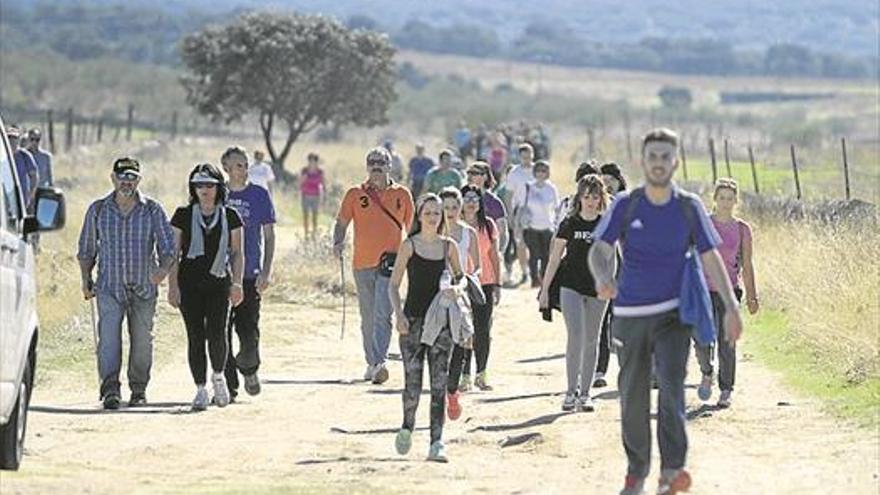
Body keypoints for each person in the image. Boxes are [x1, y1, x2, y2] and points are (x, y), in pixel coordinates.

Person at [589, 128, 744, 495]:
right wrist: (601, 276)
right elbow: (600, 247)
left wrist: (731, 307)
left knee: (672, 389)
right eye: (652, 156)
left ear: (675, 161)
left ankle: (671, 470)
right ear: (643, 162)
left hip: (675, 314)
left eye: (665, 156)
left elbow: (711, 256)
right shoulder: (626, 204)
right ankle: (637, 469)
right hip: (630, 314)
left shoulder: (688, 206)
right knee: (633, 394)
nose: (659, 163)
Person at [77, 157, 175, 409]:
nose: (127, 182)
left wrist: (163, 271)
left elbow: (168, 247)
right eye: (122, 177)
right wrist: (86, 278)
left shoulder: (152, 209)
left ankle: (138, 389)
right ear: (113, 178)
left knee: (142, 341)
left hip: (143, 287)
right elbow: (87, 249)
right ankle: (110, 389)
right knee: (108, 340)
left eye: (132, 177)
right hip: (109, 287)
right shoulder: (98, 210)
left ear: (139, 180)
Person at [388, 193, 465, 463]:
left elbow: (462, 278)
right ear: (419, 215)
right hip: (412, 323)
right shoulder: (409, 245)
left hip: (441, 324)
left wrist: (457, 289)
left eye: (437, 212)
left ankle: (436, 442)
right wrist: (398, 315)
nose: (433, 217)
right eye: (428, 212)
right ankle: (407, 427)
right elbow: (393, 285)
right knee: (412, 383)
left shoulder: (449, 247)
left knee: (439, 384)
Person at [333, 147, 414, 384]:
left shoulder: (402, 195)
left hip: (391, 264)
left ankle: (379, 362)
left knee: (383, 313)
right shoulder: (355, 194)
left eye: (381, 162)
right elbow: (341, 222)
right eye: (372, 163)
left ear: (390, 166)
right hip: (362, 263)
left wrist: (416, 256)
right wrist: (337, 241)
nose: (376, 166)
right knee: (367, 315)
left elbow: (412, 229)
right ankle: (371, 362)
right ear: (367, 166)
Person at [168, 163, 245, 411]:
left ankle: (219, 377)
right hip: (189, 283)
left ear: (218, 187)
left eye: (209, 185)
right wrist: (172, 287)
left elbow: (237, 253)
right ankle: (200, 388)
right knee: (195, 335)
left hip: (219, 281)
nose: (204, 190)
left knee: (217, 332)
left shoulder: (231, 215)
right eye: (199, 185)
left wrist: (237, 284)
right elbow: (173, 254)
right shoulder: (182, 215)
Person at [539, 175, 610, 412]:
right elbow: (554, 258)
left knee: (592, 339)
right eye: (586, 196)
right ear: (579, 198)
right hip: (570, 285)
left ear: (601, 198)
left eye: (595, 197)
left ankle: (586, 394)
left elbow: (613, 258)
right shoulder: (569, 223)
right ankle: (570, 391)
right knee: (576, 335)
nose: (590, 201)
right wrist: (545, 289)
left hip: (597, 288)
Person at [694, 178, 759, 408]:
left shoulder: (742, 230)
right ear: (714, 199)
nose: (725, 203)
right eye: (721, 198)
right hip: (702, 290)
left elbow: (748, 265)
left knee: (727, 341)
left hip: (730, 291)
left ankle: (726, 388)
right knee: (702, 339)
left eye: (730, 199)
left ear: (735, 201)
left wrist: (752, 296)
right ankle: (706, 371)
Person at [221, 146, 276, 402]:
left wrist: (266, 271)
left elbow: (269, 235)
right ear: (227, 169)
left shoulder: (259, 195)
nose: (243, 170)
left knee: (248, 330)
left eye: (245, 165)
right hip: (221, 274)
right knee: (220, 332)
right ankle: (229, 385)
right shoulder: (217, 195)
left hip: (251, 272)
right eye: (238, 165)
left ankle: (250, 367)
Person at [438, 187, 480, 418]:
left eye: (455, 207)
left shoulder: (468, 233)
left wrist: (470, 279)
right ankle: (442, 389)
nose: (451, 212)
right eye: (446, 208)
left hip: (460, 292)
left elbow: (479, 265)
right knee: (439, 344)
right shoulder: (431, 234)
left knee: (461, 342)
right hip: (436, 295)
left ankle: (452, 392)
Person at [458, 185, 501, 393]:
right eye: (467, 198)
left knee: (483, 330)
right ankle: (463, 375)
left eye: (475, 198)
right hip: (460, 283)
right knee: (465, 330)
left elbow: (494, 255)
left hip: (485, 282)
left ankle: (481, 374)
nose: (471, 202)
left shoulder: (489, 225)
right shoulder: (454, 225)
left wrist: (498, 283)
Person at [595, 161, 629, 388]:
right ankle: (599, 370)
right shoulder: (593, 204)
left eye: (611, 181)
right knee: (600, 322)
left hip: (626, 269)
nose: (607, 184)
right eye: (603, 181)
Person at [514, 160, 559, 288]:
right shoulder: (528, 187)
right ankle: (534, 278)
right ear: (534, 172)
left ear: (547, 173)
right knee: (534, 254)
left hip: (547, 226)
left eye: (543, 171)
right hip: (531, 226)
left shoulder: (551, 188)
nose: (540, 173)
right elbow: (521, 207)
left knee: (545, 255)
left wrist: (557, 225)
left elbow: (556, 208)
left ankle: (544, 278)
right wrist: (518, 226)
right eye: (538, 171)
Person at [504, 142, 537, 285]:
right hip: (521, 210)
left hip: (538, 211)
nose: (526, 159)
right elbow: (509, 195)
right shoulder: (514, 173)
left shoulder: (539, 170)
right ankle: (525, 272)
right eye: (523, 157)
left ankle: (536, 271)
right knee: (521, 244)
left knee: (537, 244)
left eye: (529, 156)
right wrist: (510, 215)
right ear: (519, 157)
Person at [465, 161, 508, 257]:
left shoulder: (494, 203)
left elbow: (503, 232)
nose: (470, 177)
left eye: (475, 173)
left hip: (486, 252)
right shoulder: (461, 198)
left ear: (485, 177)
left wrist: (498, 253)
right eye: (469, 173)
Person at [6, 126, 38, 213]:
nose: (12, 141)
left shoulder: (25, 156)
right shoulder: (2, 156)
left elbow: (34, 176)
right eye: (9, 137)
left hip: (21, 200)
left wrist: (30, 196)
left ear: (18, 140)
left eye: (15, 138)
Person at [299, 152, 325, 240]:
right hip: (305, 195)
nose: (312, 163)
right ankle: (306, 234)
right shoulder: (304, 170)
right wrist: (304, 178)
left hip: (316, 196)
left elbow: (323, 184)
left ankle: (314, 234)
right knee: (305, 216)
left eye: (314, 161)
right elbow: (300, 183)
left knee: (315, 216)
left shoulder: (320, 172)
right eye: (311, 161)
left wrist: (323, 197)